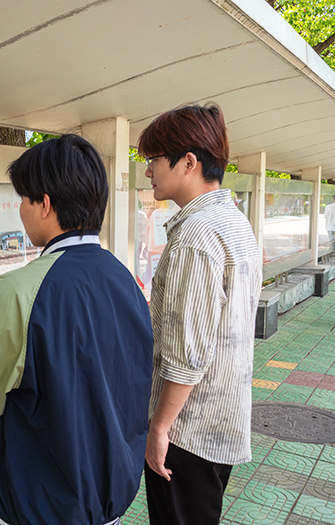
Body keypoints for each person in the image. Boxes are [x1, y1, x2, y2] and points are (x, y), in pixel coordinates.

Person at [0, 134, 154, 525]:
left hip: (27, 504)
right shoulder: (127, 281)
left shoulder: (15, 292)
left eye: (24, 198)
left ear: (44, 204)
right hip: (106, 502)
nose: (21, 209)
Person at [138, 104, 262, 525]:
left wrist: (159, 429)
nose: (148, 170)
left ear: (188, 162)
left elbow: (187, 355)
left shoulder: (195, 235)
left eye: (154, 159)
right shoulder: (234, 221)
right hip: (221, 419)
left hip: (187, 431)